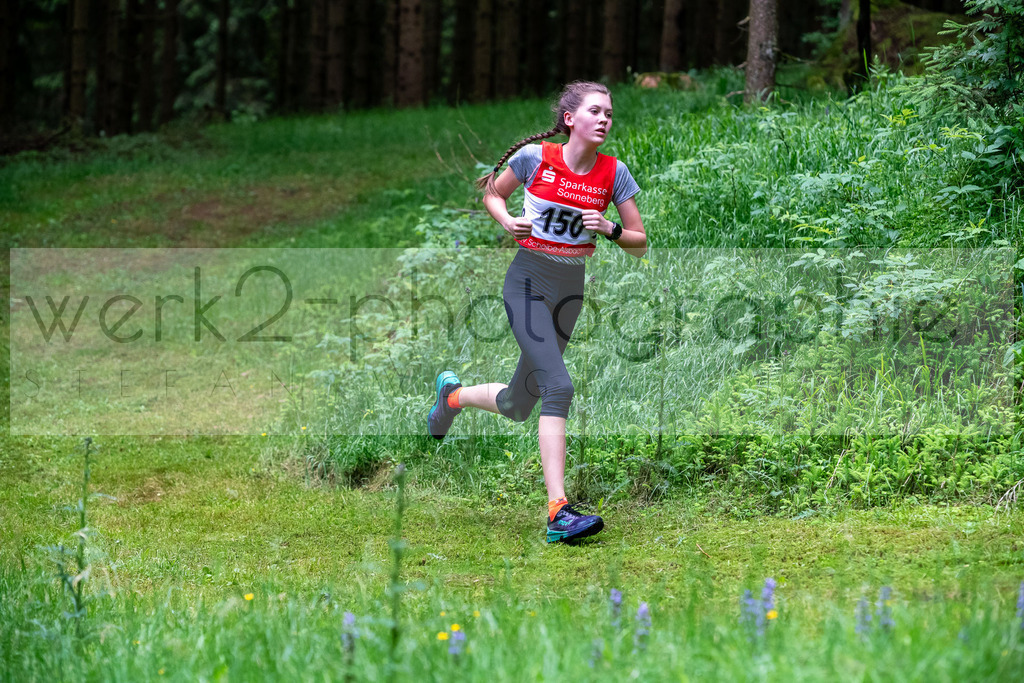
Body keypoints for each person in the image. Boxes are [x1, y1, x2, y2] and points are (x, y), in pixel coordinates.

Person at [428, 81, 647, 543]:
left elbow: (639, 244)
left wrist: (608, 227)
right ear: (570, 119)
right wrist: (507, 220)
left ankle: (451, 398)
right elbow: (492, 192)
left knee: (517, 403)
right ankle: (557, 512)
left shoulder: (614, 174)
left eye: (609, 112)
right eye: (596, 111)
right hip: (526, 282)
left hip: (570, 291)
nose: (605, 119)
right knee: (559, 386)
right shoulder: (535, 159)